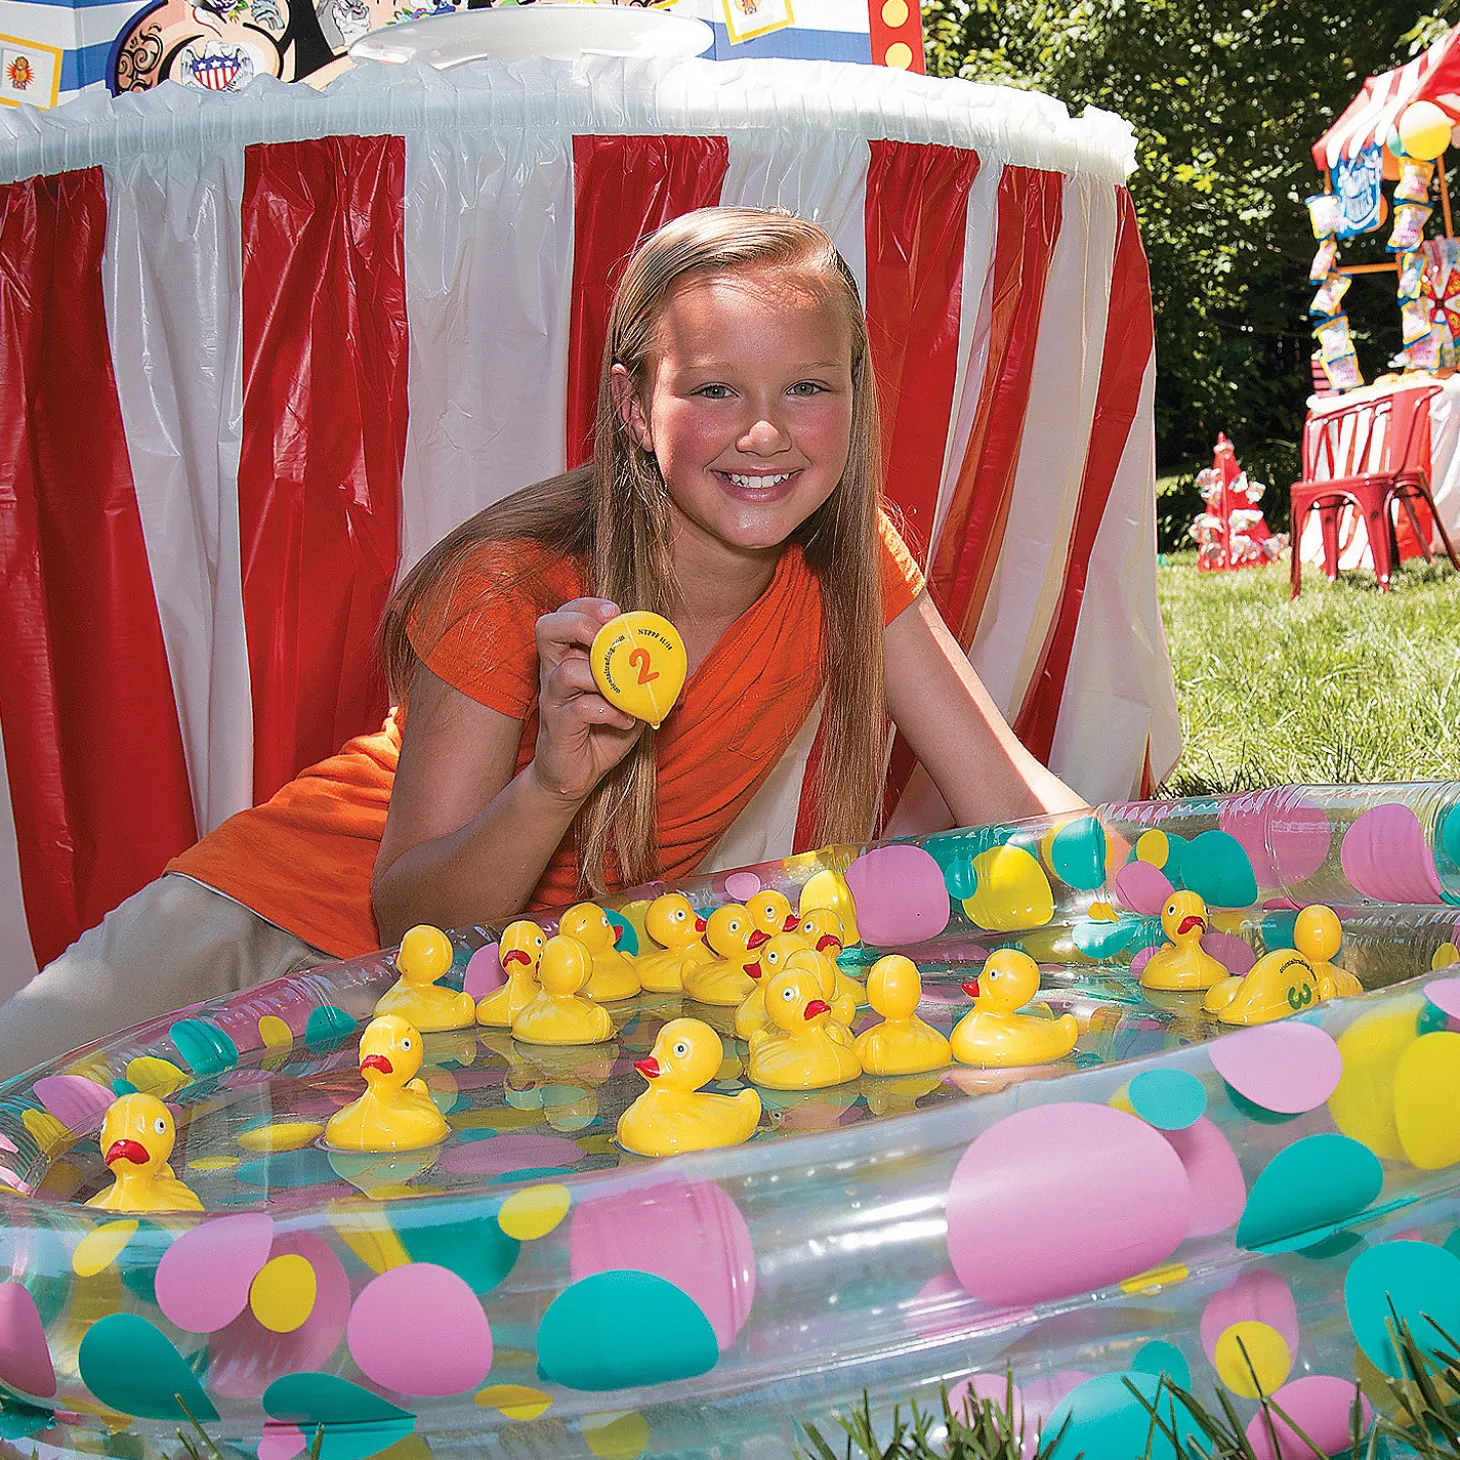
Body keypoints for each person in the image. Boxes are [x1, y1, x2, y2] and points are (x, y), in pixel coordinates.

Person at [0, 206, 1083, 1081]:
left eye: (808, 386)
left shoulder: (855, 566)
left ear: (856, 397)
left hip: (508, 997)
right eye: (713, 389)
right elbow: (406, 916)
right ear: (631, 405)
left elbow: (1009, 799)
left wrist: (1148, 896)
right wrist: (552, 782)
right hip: (266, 933)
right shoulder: (512, 581)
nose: (765, 430)